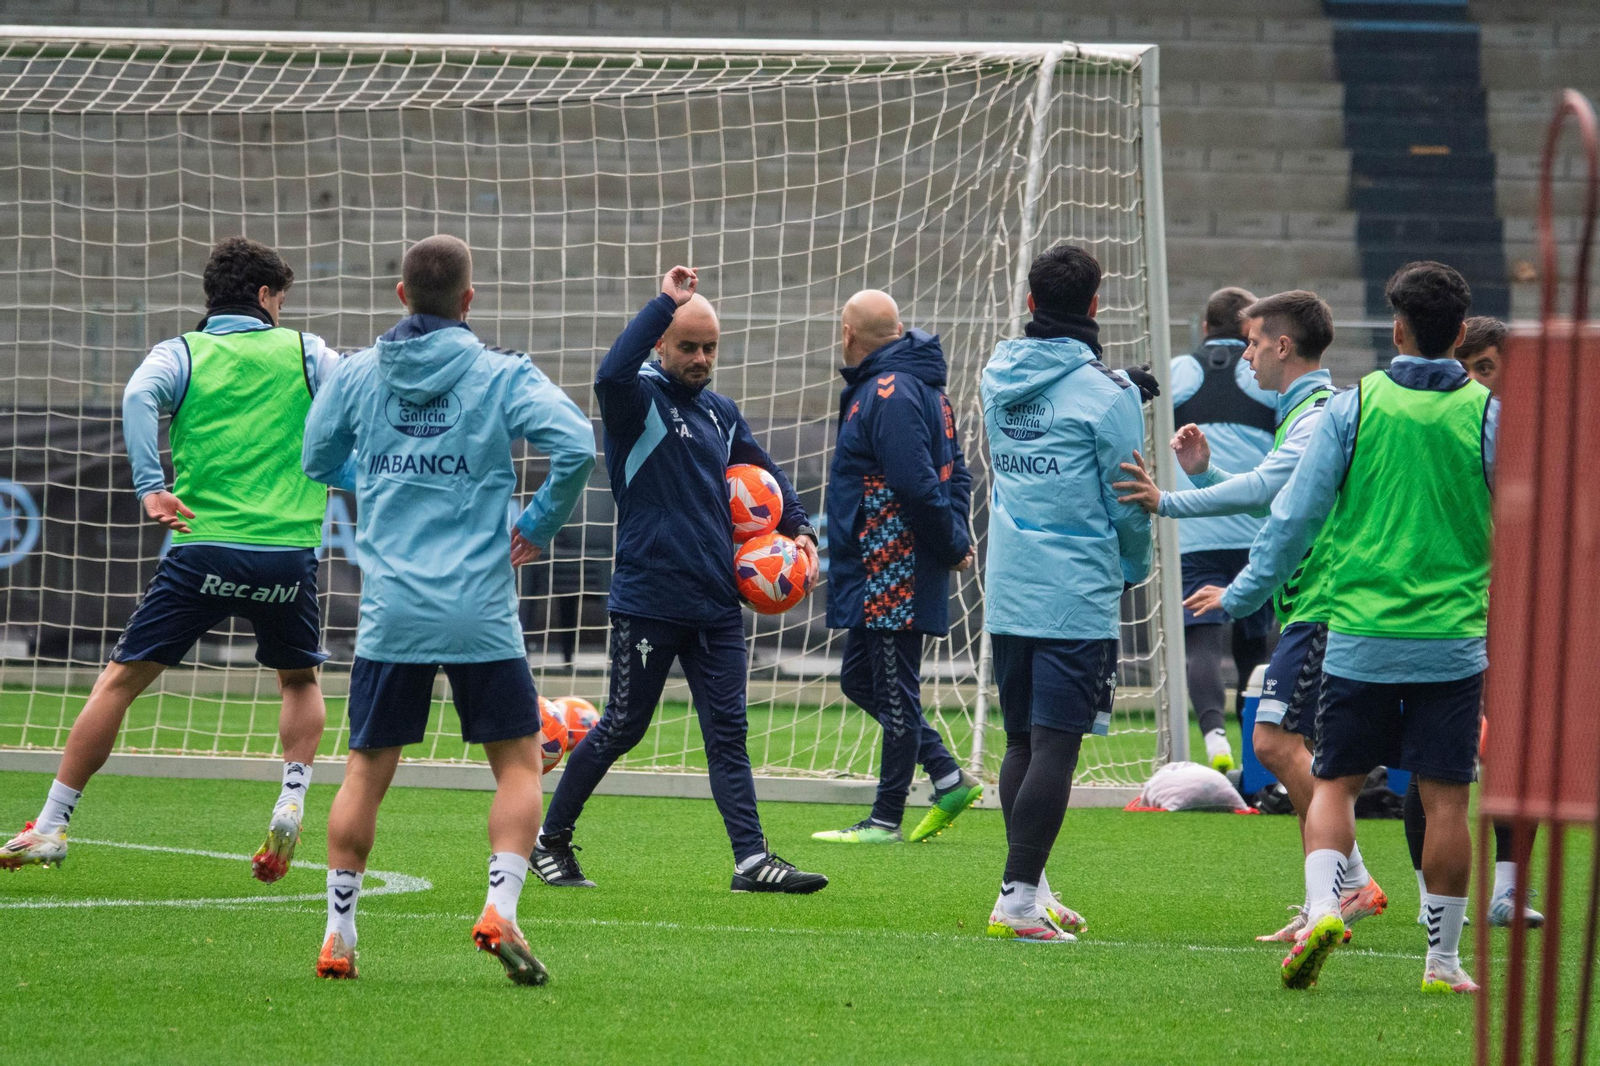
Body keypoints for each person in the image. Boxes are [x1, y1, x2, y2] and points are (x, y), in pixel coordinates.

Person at [0, 238, 347, 882]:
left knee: (120, 682)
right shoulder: (307, 351)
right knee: (298, 681)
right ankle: (292, 796)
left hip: (203, 548)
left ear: (212, 298)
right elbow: (354, 403)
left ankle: (51, 822)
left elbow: (137, 399)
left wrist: (148, 486)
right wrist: (346, 470)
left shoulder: (180, 353)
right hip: (286, 555)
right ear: (268, 297)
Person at [1190, 262, 1492, 994]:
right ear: (1459, 334)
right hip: (1452, 638)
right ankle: (1442, 963)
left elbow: (1292, 516)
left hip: (1358, 631)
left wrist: (1241, 595)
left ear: (1396, 330)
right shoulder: (1488, 412)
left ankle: (1326, 904)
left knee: (1334, 782)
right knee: (1446, 799)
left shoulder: (1354, 409)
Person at [301, 235, 595, 983]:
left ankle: (339, 934)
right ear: (469, 301)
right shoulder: (500, 374)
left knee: (366, 769)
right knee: (520, 763)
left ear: (401, 295)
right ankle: (500, 907)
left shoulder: (361, 373)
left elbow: (314, 458)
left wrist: (371, 473)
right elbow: (577, 446)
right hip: (478, 607)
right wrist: (536, 525)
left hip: (393, 608)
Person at [531, 266, 828, 895]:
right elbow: (609, 371)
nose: (699, 358)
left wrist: (802, 532)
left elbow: (767, 477)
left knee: (729, 731)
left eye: (709, 347)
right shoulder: (634, 402)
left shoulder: (721, 414)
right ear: (661, 345)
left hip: (716, 603)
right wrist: (664, 302)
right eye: (687, 346)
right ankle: (548, 840)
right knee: (623, 726)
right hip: (650, 599)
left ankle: (752, 860)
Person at [1118, 291, 1388, 943]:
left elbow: (1274, 493)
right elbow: (1276, 486)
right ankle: (1332, 891)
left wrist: (1170, 503)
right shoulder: (1305, 412)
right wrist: (1207, 471)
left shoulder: (1319, 414)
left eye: (1255, 343)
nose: (1247, 356)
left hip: (1326, 602)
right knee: (1300, 751)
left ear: (1283, 347)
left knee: (1276, 745)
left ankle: (1347, 885)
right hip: (1314, 600)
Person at [979, 244, 1152, 942]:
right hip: (1075, 587)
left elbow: (1055, 404)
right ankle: (1017, 899)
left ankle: (1031, 885)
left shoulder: (996, 375)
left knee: (1022, 740)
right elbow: (1129, 501)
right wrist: (1132, 566)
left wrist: (1116, 382)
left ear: (1028, 304)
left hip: (1011, 581)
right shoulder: (1108, 397)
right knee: (1057, 744)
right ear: (1095, 305)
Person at [810, 289, 983, 845]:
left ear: (848, 333)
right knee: (863, 679)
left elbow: (917, 482)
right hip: (885, 565)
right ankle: (949, 774)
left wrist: (951, 544)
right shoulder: (923, 388)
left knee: (889, 683)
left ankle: (886, 818)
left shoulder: (892, 390)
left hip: (892, 565)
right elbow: (958, 476)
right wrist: (953, 538)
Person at [1400, 312, 1540, 928]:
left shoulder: (1537, 439)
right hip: (1447, 614)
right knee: (1435, 760)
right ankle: (1432, 897)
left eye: (1486, 368)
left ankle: (1508, 891)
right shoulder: (1444, 431)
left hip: (1517, 615)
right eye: (1468, 369)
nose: (1475, 381)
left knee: (1520, 748)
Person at [1168, 288, 1280, 772]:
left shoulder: (1175, 370)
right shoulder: (1266, 378)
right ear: (1248, 331)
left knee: (1202, 642)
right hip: (1256, 530)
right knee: (1254, 642)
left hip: (1193, 529)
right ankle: (1257, 751)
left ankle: (1214, 739)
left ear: (1205, 327)